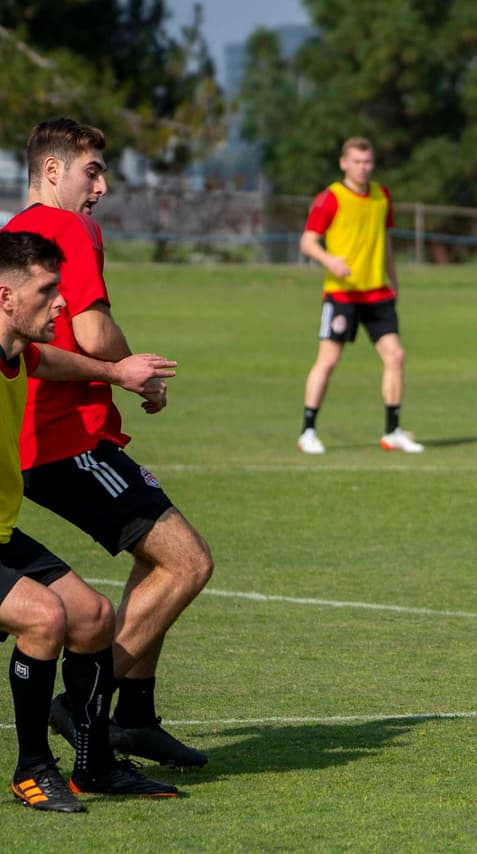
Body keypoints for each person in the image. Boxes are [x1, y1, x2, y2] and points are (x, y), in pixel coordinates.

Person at [2, 118, 213, 769]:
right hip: (67, 437)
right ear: (54, 170)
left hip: (32, 443)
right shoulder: (69, 230)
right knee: (186, 562)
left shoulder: (10, 236)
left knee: (158, 564)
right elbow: (93, 333)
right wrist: (135, 376)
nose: (102, 186)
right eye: (92, 171)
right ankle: (84, 704)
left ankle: (137, 717)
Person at [0, 230, 182, 810]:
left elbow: (47, 360)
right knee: (43, 619)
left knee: (95, 618)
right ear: (7, 298)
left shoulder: (17, 351)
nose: (62, 303)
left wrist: (114, 374)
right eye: (49, 291)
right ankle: (32, 770)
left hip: (1, 534)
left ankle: (94, 765)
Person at [296, 136, 423, 455]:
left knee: (395, 355)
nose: (362, 167)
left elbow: (386, 239)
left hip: (377, 293)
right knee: (328, 361)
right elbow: (308, 242)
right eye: (356, 161)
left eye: (367, 162)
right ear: (343, 163)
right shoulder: (330, 198)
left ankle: (392, 430)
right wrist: (330, 261)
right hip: (342, 295)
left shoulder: (382, 196)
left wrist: (393, 278)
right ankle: (308, 431)